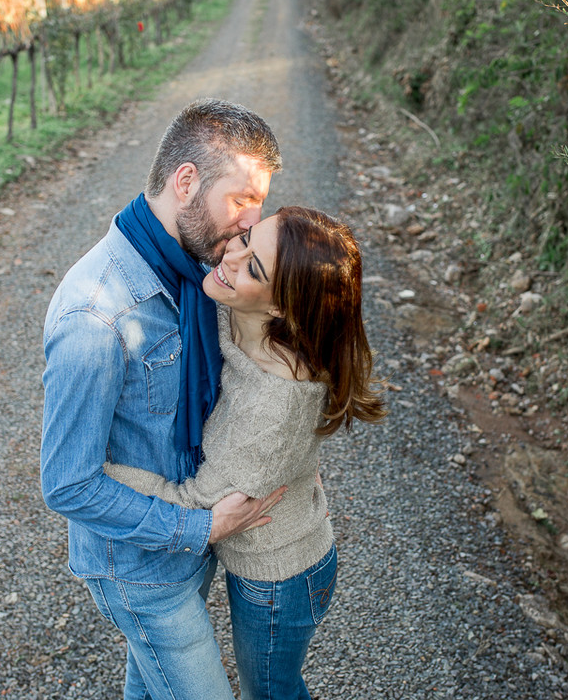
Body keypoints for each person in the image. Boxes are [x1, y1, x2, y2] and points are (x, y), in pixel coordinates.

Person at [41, 98, 285, 700]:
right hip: (142, 572)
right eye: (241, 199)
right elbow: (67, 484)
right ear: (186, 182)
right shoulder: (95, 316)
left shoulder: (195, 271)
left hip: (190, 547)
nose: (251, 222)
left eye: (259, 203)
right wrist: (200, 526)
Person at [106, 206, 387, 700]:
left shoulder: (272, 408)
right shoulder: (237, 308)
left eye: (253, 267)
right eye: (245, 239)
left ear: (281, 308)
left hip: (280, 577)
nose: (230, 258)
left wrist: (99, 474)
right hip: (267, 556)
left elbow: (195, 505)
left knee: (271, 693)